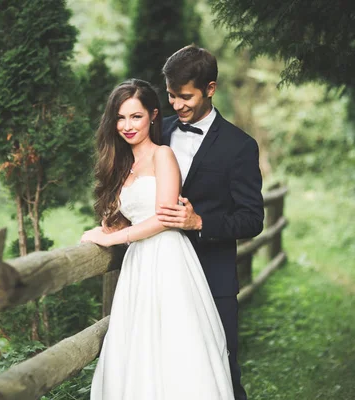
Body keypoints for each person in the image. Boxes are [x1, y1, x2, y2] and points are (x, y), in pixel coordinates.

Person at [81, 78, 235, 400]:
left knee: (175, 345)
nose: (127, 125)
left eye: (135, 116)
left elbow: (164, 217)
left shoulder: (163, 155)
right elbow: (129, 214)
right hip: (139, 264)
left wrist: (117, 238)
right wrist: (106, 230)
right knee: (137, 345)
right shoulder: (122, 164)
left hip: (167, 260)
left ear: (153, 116)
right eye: (120, 118)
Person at [156, 45, 265, 400]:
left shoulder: (240, 146)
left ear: (211, 89)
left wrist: (200, 221)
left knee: (222, 374)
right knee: (167, 371)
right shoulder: (158, 134)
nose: (177, 105)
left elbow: (252, 219)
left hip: (212, 277)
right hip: (161, 275)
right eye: (171, 96)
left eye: (185, 97)